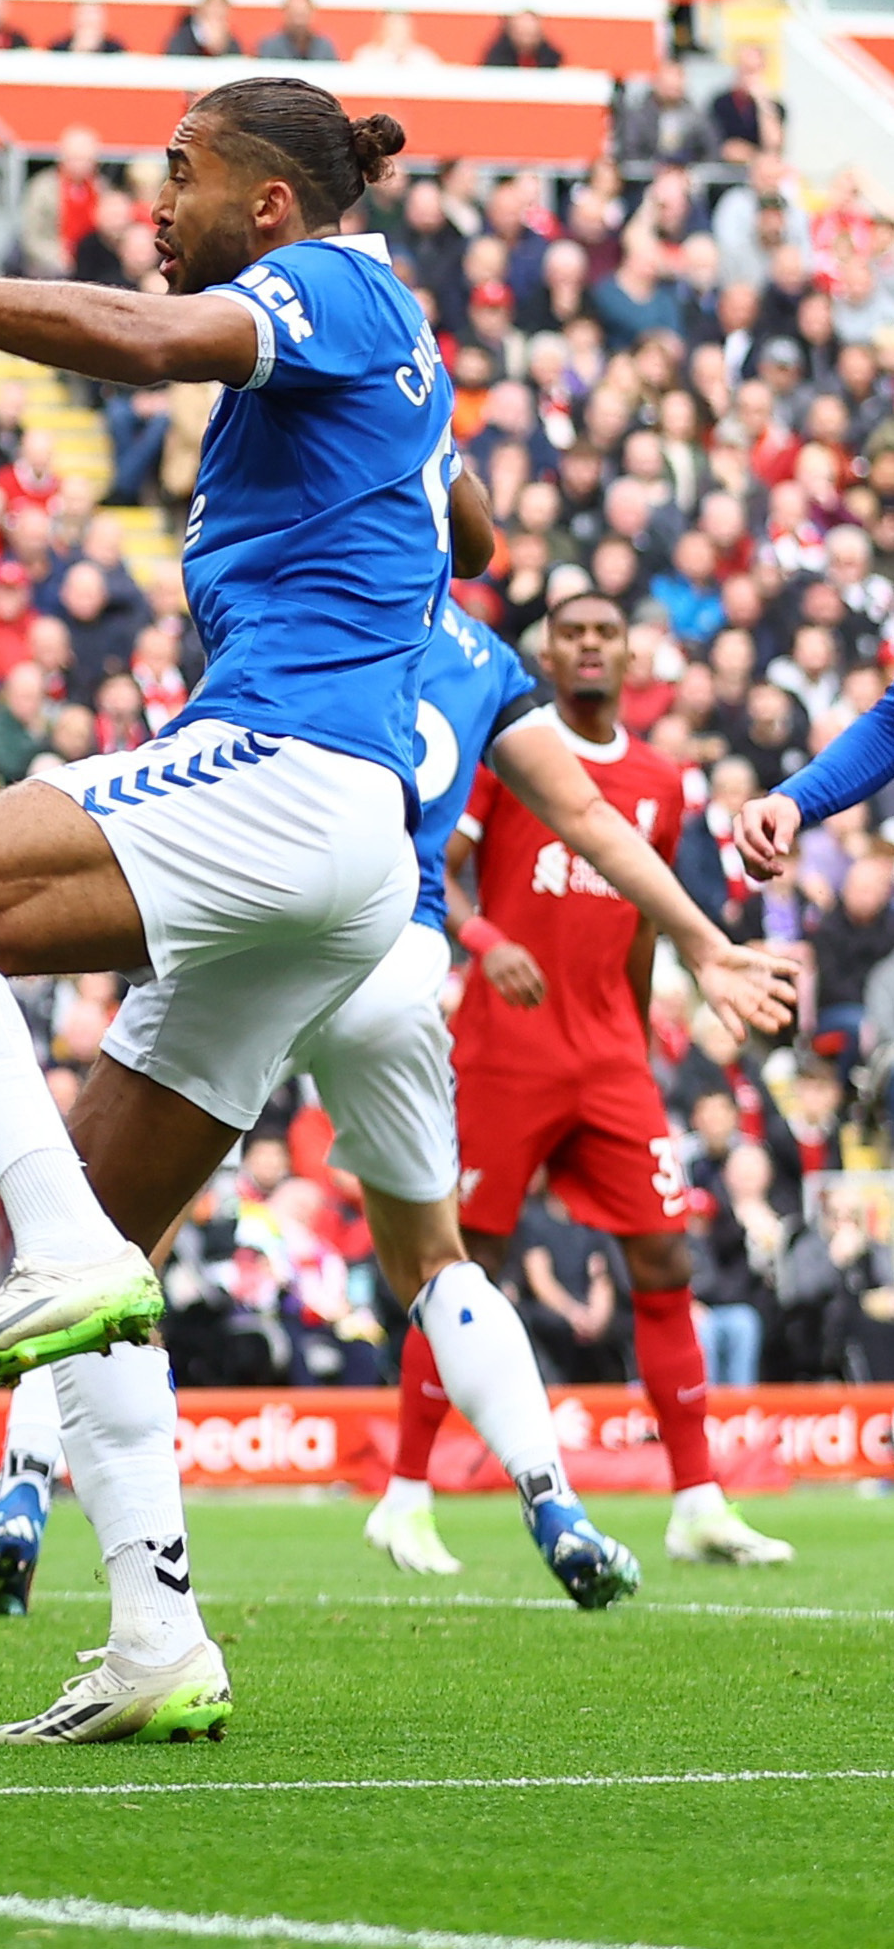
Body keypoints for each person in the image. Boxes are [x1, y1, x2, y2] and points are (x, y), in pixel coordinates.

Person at [0, 80, 446, 1743]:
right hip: (339, 848)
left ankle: (54, 1251)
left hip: (285, 776)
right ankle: (154, 1641)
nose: (149, 200)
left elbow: (138, 340)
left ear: (268, 205)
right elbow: (447, 513)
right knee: (99, 1245)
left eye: (179, 173)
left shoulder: (331, 284)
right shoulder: (352, 356)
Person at [0, 597, 794, 1614]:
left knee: (99, 1242)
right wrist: (703, 943)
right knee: (436, 1258)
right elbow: (581, 814)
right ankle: (550, 1499)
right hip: (396, 948)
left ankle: (21, 1498)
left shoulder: (307, 584)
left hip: (261, 920)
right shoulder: (487, 658)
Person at [446, 593, 796, 1568]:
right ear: (547, 653)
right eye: (572, 632)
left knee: (664, 1261)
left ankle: (695, 1499)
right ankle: (404, 1490)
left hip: (607, 1055)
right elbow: (442, 868)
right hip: (505, 1046)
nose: (590, 645)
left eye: (605, 632)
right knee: (459, 1263)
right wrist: (481, 940)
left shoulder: (658, 779)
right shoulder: (506, 751)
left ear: (629, 655)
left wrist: (636, 1039)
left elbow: (642, 919)